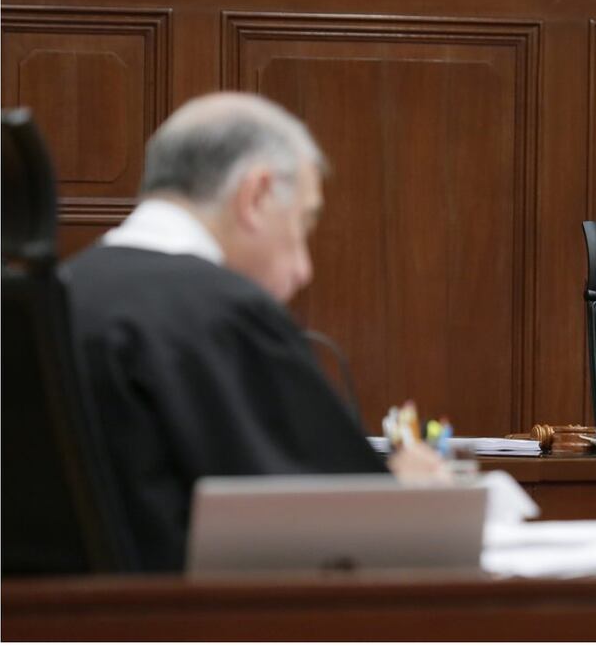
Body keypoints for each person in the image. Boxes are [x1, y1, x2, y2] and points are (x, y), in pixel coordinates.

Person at [63, 92, 444, 571]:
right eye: (304, 221)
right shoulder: (222, 312)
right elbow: (322, 526)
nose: (304, 270)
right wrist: (403, 493)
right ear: (256, 195)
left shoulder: (59, 291)